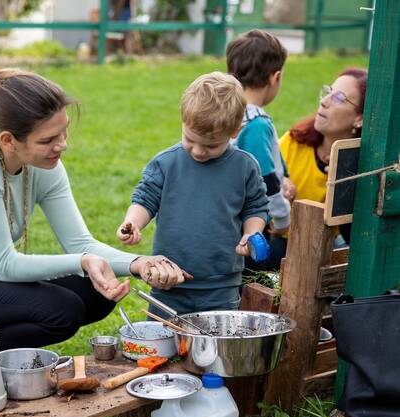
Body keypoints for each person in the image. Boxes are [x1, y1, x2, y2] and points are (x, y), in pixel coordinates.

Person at [0, 69, 187, 351]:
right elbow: (5, 265)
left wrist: (139, 263)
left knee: (97, 292)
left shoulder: (42, 165)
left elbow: (80, 243)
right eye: (48, 140)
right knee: (62, 310)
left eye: (63, 132)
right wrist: (83, 262)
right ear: (8, 140)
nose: (62, 145)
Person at [117, 72, 269, 315]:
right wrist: (133, 222)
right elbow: (145, 199)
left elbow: (256, 207)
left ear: (235, 131)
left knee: (216, 348)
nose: (198, 151)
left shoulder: (244, 167)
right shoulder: (166, 164)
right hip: (168, 279)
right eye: (190, 139)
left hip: (222, 284)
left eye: (211, 145)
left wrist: (251, 233)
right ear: (183, 122)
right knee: (163, 346)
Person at [227, 29, 293, 271]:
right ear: (275, 77)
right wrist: (283, 219)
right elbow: (266, 179)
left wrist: (284, 176)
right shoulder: (257, 124)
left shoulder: (221, 112)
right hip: (250, 227)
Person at [279, 67, 367, 243]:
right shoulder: (294, 141)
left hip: (325, 249)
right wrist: (278, 182)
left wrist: (344, 188)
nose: (324, 102)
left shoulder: (363, 164)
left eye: (339, 98)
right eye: (328, 92)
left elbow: (353, 237)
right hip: (278, 242)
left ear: (360, 118)